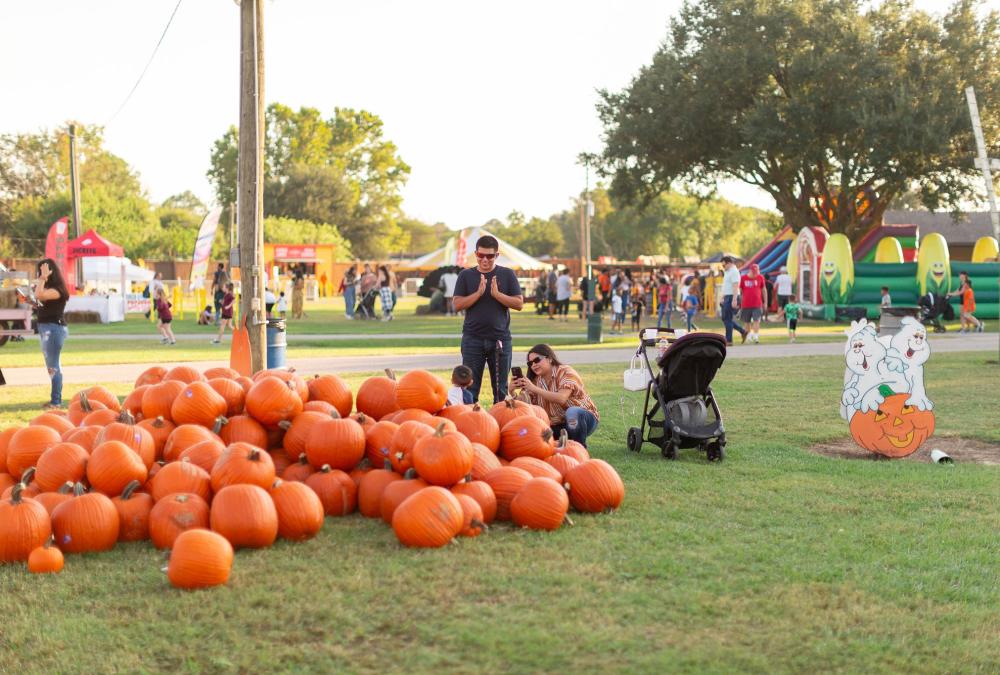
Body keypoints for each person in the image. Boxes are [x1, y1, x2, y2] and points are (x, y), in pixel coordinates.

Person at [452, 235, 523, 404]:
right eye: (481, 255)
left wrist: (497, 295)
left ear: (497, 255)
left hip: (500, 340)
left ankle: (499, 419)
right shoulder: (466, 275)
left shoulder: (507, 274)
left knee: (500, 390)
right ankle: (470, 418)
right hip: (472, 339)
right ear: (475, 254)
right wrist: (478, 293)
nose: (485, 259)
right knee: (469, 388)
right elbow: (457, 305)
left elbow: (519, 303)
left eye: (490, 256)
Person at [511, 344, 600, 447]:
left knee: (572, 412)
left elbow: (561, 398)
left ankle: (580, 449)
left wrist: (534, 388)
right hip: (557, 425)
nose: (533, 365)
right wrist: (511, 391)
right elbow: (523, 406)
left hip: (582, 420)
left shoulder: (565, 371)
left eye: (537, 360)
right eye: (530, 363)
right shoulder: (535, 381)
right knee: (534, 432)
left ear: (549, 359)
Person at [33, 258, 70, 409]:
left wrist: (43, 277)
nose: (38, 274)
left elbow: (39, 295)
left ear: (50, 272)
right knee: (53, 366)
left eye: (40, 271)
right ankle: (55, 400)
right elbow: (39, 299)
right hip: (48, 329)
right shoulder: (50, 289)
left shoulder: (57, 290)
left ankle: (56, 402)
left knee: (53, 367)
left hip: (53, 329)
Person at [720, 256, 748, 345]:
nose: (723, 267)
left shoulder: (734, 272)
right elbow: (726, 286)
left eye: (724, 265)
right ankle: (743, 331)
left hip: (732, 296)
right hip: (727, 296)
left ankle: (729, 340)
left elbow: (735, 286)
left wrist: (734, 300)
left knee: (727, 318)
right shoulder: (727, 272)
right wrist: (722, 297)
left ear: (729, 263)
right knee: (725, 318)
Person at [740, 264, 766, 344]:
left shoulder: (760, 277)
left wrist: (765, 302)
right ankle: (748, 336)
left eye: (756, 272)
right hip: (746, 304)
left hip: (757, 304)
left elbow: (764, 290)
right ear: (750, 271)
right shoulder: (743, 278)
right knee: (746, 322)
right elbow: (740, 290)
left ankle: (756, 337)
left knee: (756, 320)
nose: (755, 274)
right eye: (754, 272)